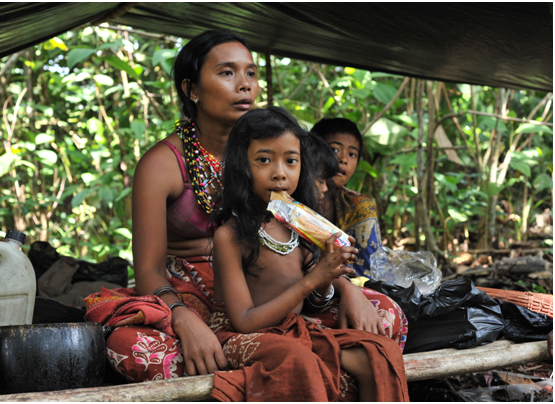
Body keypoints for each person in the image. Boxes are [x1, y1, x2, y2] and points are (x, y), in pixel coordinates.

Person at [85, 30, 259, 382]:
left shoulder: (268, 152)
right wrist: (181, 316)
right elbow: (148, 268)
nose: (245, 85)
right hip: (185, 291)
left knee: (384, 313)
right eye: (227, 72)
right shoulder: (161, 164)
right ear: (191, 89)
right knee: (131, 346)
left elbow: (300, 232)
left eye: (251, 73)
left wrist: (343, 286)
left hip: (258, 283)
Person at [209, 107, 409, 402]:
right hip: (243, 334)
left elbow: (315, 301)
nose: (279, 172)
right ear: (242, 166)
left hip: (294, 328)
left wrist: (329, 278)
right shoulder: (230, 236)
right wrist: (314, 278)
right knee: (297, 359)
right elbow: (244, 321)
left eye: (291, 161)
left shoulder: (300, 224)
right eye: (264, 160)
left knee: (379, 354)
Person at [311, 118, 382, 278]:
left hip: (346, 289)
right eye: (335, 149)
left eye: (352, 154)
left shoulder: (359, 207)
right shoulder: (290, 199)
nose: (343, 159)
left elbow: (368, 273)